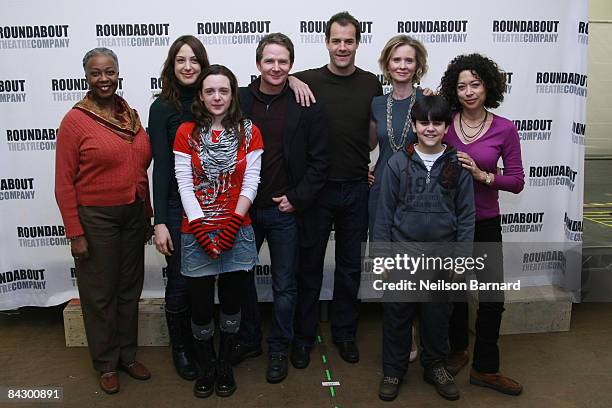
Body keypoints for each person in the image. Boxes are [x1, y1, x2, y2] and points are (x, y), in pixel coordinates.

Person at [231, 33, 329, 384]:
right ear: (258, 64)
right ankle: (249, 340)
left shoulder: (306, 104)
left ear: (291, 65)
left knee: (286, 285)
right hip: (244, 210)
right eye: (269, 61)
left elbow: (320, 162)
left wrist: (297, 198)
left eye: (283, 61)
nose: (276, 67)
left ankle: (278, 349)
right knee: (240, 279)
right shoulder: (237, 100)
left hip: (284, 211)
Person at [55, 47, 153, 394]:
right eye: (96, 73)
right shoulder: (75, 121)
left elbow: (139, 168)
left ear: (118, 74)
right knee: (100, 295)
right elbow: (64, 183)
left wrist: (147, 212)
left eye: (109, 72)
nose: (103, 79)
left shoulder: (132, 117)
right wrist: (75, 232)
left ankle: (127, 356)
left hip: (132, 214)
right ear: (87, 77)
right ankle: (107, 363)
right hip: (96, 219)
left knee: (129, 290)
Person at [291, 11, 382, 368]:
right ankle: (304, 335)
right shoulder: (306, 80)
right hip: (317, 190)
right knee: (309, 265)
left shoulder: (371, 83)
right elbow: (271, 82)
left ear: (357, 43)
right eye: (336, 40)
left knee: (349, 269)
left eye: (349, 40)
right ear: (326, 42)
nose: (342, 47)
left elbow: (385, 128)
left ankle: (344, 333)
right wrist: (293, 82)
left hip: (357, 188)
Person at [373, 95, 475, 401]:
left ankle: (435, 366)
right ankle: (393, 369)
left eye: (437, 123)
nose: (430, 128)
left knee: (437, 318)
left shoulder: (458, 165)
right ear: (415, 126)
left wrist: (461, 259)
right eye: (424, 122)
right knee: (397, 317)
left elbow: (467, 216)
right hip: (403, 255)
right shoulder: (397, 163)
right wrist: (382, 258)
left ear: (446, 127)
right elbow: (384, 213)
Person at [173, 64, 263, 398]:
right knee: (199, 306)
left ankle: (225, 364)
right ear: (200, 95)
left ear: (233, 95)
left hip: (237, 231)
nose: (217, 97)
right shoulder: (186, 132)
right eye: (210, 91)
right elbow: (183, 182)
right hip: (195, 233)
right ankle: (206, 364)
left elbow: (251, 181)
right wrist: (198, 226)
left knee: (231, 304)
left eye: (223, 90)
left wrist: (231, 227)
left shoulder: (249, 131)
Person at [438, 53, 524, 396]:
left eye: (475, 84)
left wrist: (483, 175)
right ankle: (457, 351)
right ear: (453, 91)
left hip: (486, 222)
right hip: (450, 224)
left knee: (491, 299)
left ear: (488, 86)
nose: (469, 91)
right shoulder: (445, 122)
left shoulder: (505, 128)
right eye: (461, 86)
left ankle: (486, 368)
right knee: (454, 293)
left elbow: (516, 181)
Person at [148, 35, 210, 381]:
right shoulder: (162, 108)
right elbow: (160, 167)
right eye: (180, 60)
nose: (188, 67)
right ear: (172, 66)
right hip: (175, 206)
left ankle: (203, 344)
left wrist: (291, 78)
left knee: (207, 279)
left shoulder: (214, 101)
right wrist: (160, 222)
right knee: (181, 281)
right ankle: (182, 348)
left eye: (194, 60)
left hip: (212, 202)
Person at [368, 34, 429, 364]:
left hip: (418, 193)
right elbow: (366, 144)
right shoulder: (377, 103)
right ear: (386, 64)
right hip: (381, 191)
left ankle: (417, 333)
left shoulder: (429, 100)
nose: (402, 65)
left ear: (418, 66)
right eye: (396, 60)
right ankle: (398, 336)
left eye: (409, 60)